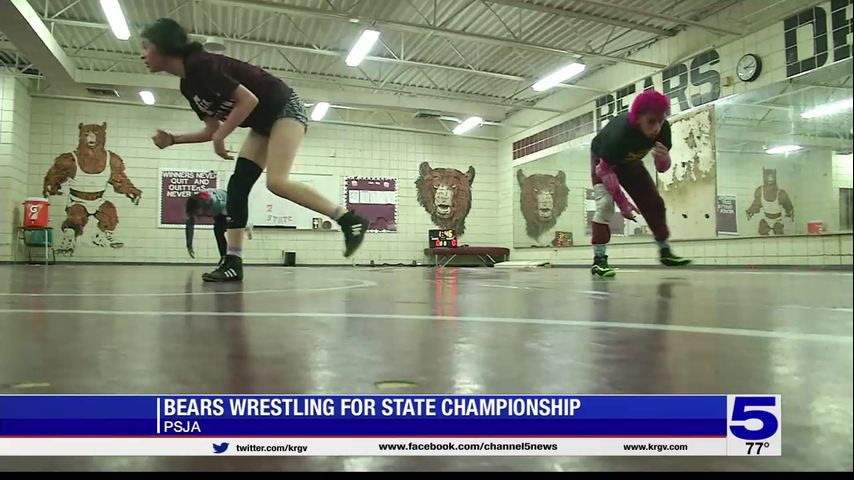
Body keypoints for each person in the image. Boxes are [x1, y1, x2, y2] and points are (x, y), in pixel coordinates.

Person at [141, 18, 369, 282]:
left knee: (277, 182)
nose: (143, 54)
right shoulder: (187, 86)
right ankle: (233, 261)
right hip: (262, 122)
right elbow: (210, 129)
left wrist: (221, 137)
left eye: (147, 46)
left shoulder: (202, 64)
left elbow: (248, 100)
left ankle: (348, 219)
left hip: (284, 107)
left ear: (163, 46)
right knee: (238, 186)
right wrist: (173, 139)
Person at [589, 90, 691, 277]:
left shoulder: (663, 129)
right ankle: (599, 260)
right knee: (604, 205)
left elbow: (662, 169)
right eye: (651, 121)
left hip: (630, 162)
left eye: (660, 120)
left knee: (655, 203)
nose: (657, 128)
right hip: (603, 162)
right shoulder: (619, 135)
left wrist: (664, 158)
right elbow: (604, 170)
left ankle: (665, 251)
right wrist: (623, 203)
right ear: (638, 119)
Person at [185, 188, 253, 263]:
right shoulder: (191, 206)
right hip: (215, 201)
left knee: (221, 229)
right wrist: (189, 245)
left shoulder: (217, 204)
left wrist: (244, 225)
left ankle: (227, 256)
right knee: (218, 229)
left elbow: (233, 216)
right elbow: (189, 226)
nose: (198, 215)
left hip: (229, 202)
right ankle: (224, 256)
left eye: (198, 212)